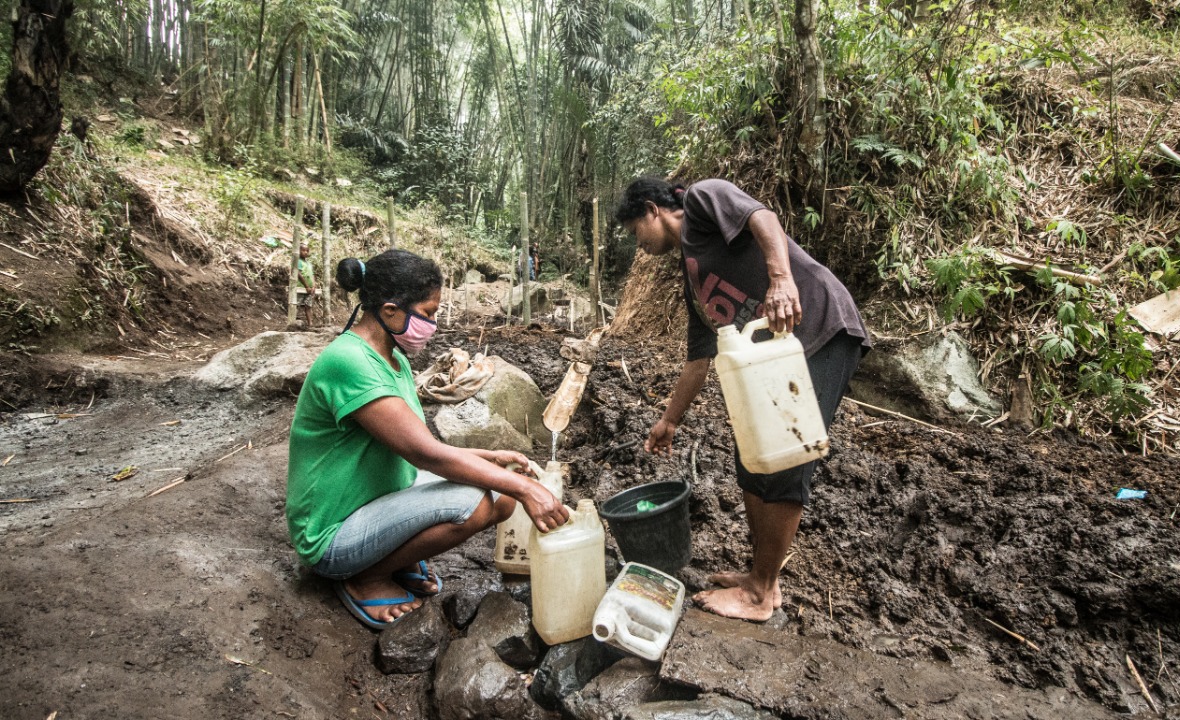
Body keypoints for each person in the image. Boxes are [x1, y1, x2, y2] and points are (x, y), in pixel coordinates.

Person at [616, 177, 870, 622]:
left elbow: (763, 218)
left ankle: (761, 592)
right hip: (775, 355)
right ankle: (759, 576)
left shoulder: (702, 198)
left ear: (652, 210)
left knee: (787, 456)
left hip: (820, 329)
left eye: (636, 231)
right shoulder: (692, 276)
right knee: (752, 456)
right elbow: (700, 358)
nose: (639, 245)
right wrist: (669, 421)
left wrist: (780, 279)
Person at [286, 249, 569, 630]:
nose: (433, 324)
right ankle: (364, 577)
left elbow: (415, 441)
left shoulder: (393, 358)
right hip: (331, 534)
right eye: (429, 312)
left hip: (371, 497)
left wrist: (489, 455)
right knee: (479, 503)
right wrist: (526, 488)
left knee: (498, 491)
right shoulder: (349, 362)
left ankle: (392, 558)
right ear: (389, 311)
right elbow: (424, 453)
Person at [296, 244, 316, 327]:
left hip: (310, 289)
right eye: (303, 250)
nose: (305, 252)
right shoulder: (298, 261)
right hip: (301, 287)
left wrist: (314, 285)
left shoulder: (309, 264)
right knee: (296, 304)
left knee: (308, 306)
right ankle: (293, 323)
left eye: (307, 251)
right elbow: (299, 274)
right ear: (299, 251)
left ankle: (310, 324)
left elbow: (312, 275)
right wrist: (306, 286)